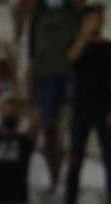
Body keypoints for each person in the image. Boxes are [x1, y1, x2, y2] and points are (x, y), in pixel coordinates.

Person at [63, 3, 111, 204]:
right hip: (81, 108)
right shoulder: (75, 43)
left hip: (105, 108)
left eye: (99, 18)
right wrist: (85, 34)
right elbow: (72, 57)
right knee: (75, 159)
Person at [14, 0, 82, 184]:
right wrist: (31, 74)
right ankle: (55, 176)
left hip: (70, 75)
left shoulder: (74, 12)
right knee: (49, 129)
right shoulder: (37, 13)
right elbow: (32, 48)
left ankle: (71, 177)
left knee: (72, 130)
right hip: (44, 77)